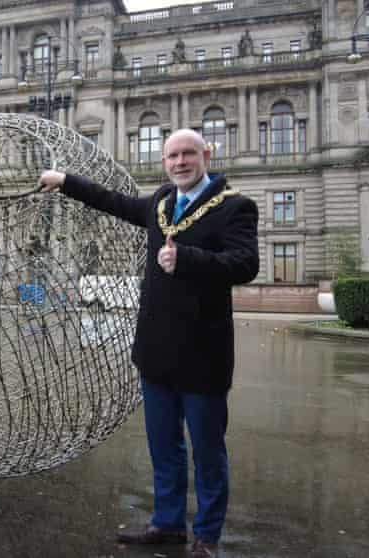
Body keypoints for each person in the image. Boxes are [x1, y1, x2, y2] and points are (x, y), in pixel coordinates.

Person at [39, 129, 259, 558]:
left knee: (208, 453)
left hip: (204, 354)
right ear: (164, 161)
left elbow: (245, 264)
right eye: (172, 156)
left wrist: (188, 259)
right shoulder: (160, 202)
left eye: (188, 154)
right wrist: (66, 181)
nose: (180, 162)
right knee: (164, 447)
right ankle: (168, 523)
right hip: (156, 350)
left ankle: (208, 537)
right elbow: (115, 202)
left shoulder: (236, 207)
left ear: (206, 155)